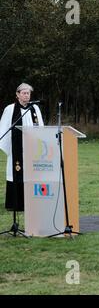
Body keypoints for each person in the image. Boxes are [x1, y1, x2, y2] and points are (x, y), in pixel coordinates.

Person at [0, 83, 44, 212]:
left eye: (28, 93)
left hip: (32, 148)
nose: (26, 95)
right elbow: (4, 128)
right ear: (17, 94)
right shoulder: (10, 109)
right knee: (16, 171)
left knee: (31, 173)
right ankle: (15, 203)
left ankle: (31, 202)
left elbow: (40, 126)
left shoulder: (35, 108)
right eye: (24, 93)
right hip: (16, 147)